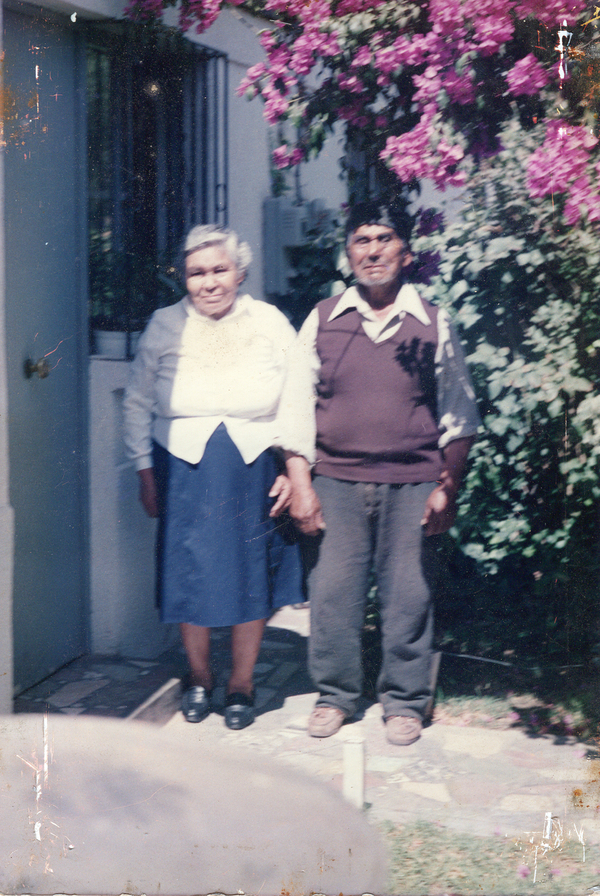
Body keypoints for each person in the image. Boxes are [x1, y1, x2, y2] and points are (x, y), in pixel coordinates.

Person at [279, 200, 480, 745]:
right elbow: (294, 409)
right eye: (361, 241)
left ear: (406, 252)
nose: (372, 251)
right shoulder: (323, 318)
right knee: (332, 593)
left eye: (384, 239)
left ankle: (405, 702)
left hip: (413, 482)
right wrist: (302, 484)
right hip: (336, 481)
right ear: (348, 254)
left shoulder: (432, 323)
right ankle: (335, 696)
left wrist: (447, 486)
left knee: (409, 596)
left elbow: (459, 415)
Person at [123, 224, 303, 730]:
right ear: (184, 277)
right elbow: (136, 402)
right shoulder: (164, 324)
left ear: (240, 273)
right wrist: (144, 470)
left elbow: (297, 396)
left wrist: (294, 466)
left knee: (251, 577)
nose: (209, 282)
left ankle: (242, 683)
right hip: (182, 470)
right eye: (197, 273)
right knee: (190, 575)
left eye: (219, 270)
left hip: (254, 467)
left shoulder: (269, 322)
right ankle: (200, 677)